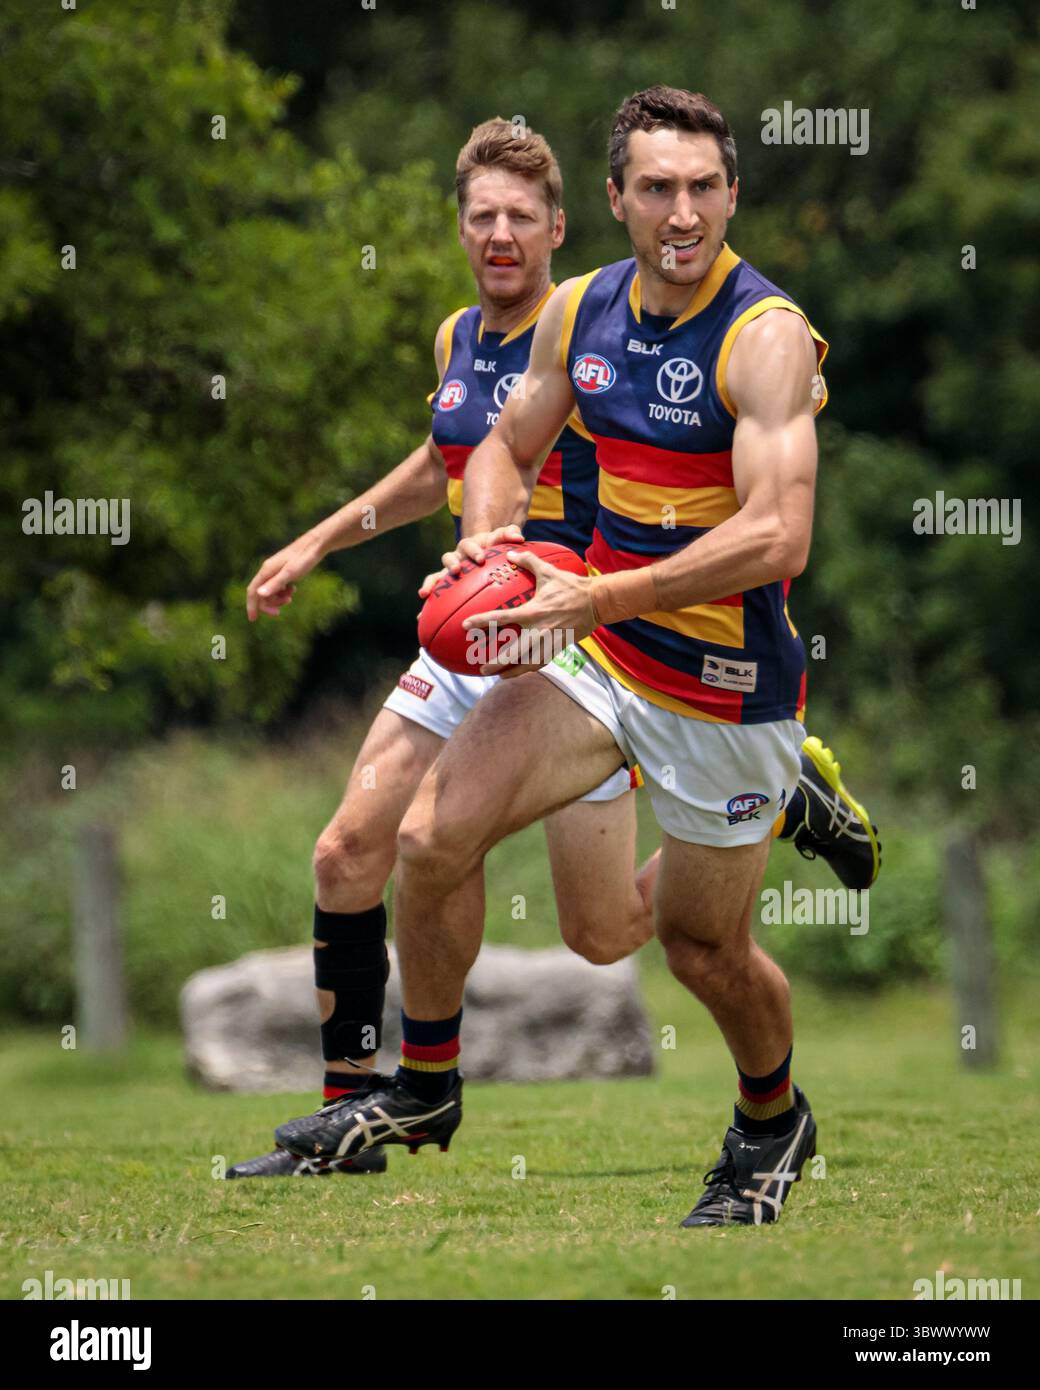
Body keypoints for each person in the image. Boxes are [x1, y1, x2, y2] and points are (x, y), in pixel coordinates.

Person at [243, 107, 879, 1200]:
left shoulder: (763, 331)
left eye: (702, 189)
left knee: (693, 950)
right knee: (431, 836)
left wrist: (597, 595)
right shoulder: (580, 309)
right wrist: (487, 542)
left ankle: (771, 1118)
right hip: (596, 651)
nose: (680, 212)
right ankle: (423, 1084)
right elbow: (498, 443)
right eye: (656, 188)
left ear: (729, 197)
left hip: (724, 687)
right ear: (619, 198)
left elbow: (779, 534)